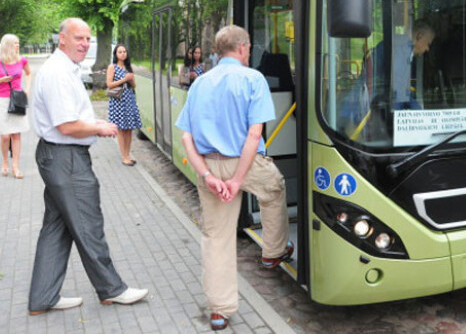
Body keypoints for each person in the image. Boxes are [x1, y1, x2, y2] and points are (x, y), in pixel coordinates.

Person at [176, 25, 292, 331]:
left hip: (209, 166)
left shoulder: (200, 82)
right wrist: (238, 180)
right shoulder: (253, 79)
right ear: (242, 48)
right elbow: (254, 136)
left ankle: (219, 310)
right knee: (274, 189)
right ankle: (273, 251)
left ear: (218, 50)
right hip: (245, 163)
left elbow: (186, 137)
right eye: (249, 47)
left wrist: (206, 175)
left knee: (217, 237)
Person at [28, 18, 148, 315]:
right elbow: (67, 126)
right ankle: (111, 289)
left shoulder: (63, 69)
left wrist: (94, 123)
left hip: (58, 156)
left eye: (87, 38)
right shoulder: (57, 73)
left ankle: (43, 297)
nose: (84, 43)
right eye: (78, 38)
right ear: (62, 39)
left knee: (56, 228)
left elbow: (68, 119)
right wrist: (99, 129)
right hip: (66, 158)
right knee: (88, 224)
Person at [341, 20, 436, 129]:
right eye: (428, 44)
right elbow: (398, 93)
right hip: (363, 110)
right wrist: (421, 116)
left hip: (359, 106)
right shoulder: (401, 49)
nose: (428, 49)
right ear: (419, 36)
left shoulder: (400, 44)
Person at [0, 33, 31, 179]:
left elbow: (29, 73)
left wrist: (27, 89)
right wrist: (1, 80)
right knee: (5, 136)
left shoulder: (22, 60)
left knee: (16, 134)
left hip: (17, 99)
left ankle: (15, 167)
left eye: (18, 43)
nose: (18, 46)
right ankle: (5, 162)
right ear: (7, 45)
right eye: (15, 43)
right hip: (2, 101)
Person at [106, 44, 143, 166]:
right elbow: (109, 84)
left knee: (129, 129)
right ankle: (124, 156)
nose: (122, 54)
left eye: (124, 51)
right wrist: (124, 79)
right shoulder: (112, 67)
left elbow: (134, 85)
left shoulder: (129, 67)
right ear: (116, 54)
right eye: (120, 52)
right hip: (118, 100)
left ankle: (128, 154)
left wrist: (131, 80)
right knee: (121, 129)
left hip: (129, 98)